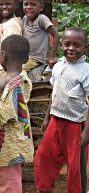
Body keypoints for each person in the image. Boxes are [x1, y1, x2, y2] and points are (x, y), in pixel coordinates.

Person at [34, 27, 89, 193]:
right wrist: (46, 118)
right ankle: (43, 188)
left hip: (75, 125)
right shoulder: (58, 66)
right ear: (61, 46)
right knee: (44, 157)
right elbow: (54, 93)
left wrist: (86, 131)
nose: (71, 48)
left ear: (85, 48)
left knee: (75, 166)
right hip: (55, 121)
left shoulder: (86, 71)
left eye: (77, 45)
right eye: (67, 44)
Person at [0, 34, 34, 193]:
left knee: (8, 181)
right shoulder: (18, 79)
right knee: (7, 178)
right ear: (26, 58)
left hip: (10, 141)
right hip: (11, 138)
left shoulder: (14, 83)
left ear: (3, 55)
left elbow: (6, 113)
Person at [22, 0, 60, 71]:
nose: (28, 7)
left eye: (33, 4)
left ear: (41, 7)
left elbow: (56, 35)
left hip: (36, 59)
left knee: (20, 71)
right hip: (25, 57)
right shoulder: (24, 18)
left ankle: (23, 83)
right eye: (26, 4)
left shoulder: (41, 19)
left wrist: (52, 56)